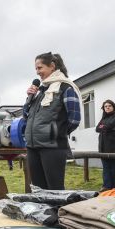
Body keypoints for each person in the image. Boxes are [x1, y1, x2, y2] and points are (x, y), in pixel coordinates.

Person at [24, 52, 81, 190]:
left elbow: (74, 118)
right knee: (38, 189)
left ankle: (57, 212)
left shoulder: (65, 88)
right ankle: (44, 213)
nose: (37, 72)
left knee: (55, 189)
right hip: (33, 147)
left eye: (40, 68)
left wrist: (56, 133)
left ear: (52, 66)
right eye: (36, 69)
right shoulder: (41, 91)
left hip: (53, 147)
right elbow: (26, 115)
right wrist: (29, 97)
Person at [95, 99, 115, 191]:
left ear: (113, 107)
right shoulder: (103, 118)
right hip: (102, 146)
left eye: (109, 106)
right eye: (105, 106)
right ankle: (106, 186)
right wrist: (105, 127)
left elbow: (109, 125)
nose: (107, 108)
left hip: (113, 146)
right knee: (106, 167)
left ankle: (113, 186)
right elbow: (97, 128)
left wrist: (104, 127)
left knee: (112, 167)